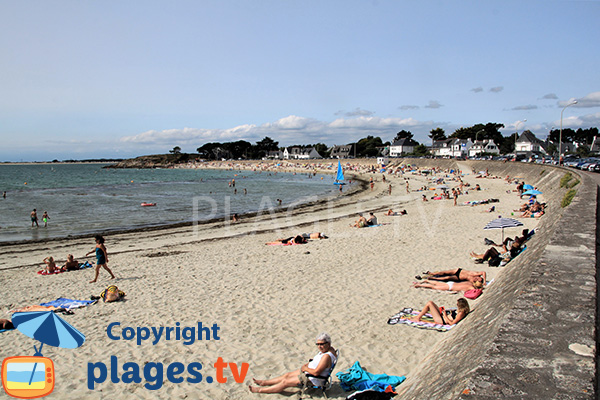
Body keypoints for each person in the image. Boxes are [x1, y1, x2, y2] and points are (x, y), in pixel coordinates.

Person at [249, 333, 337, 394]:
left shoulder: (326, 356)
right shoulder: (330, 349)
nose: (319, 347)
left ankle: (260, 390)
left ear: (328, 343)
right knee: (286, 375)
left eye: (321, 344)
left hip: (312, 378)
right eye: (317, 344)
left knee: (285, 382)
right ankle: (265, 382)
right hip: (308, 372)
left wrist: (306, 368)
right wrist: (307, 366)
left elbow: (316, 372)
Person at [418, 268, 485, 284]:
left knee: (447, 278)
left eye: (478, 280)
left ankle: (432, 278)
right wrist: (484, 280)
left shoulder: (472, 280)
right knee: (444, 272)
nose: (477, 279)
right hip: (459, 271)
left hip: (458, 277)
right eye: (479, 278)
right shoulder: (475, 274)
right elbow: (483, 272)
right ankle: (432, 273)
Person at [413, 279, 484, 292]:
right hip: (451, 287)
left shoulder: (470, 283)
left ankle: (426, 280)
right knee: (434, 287)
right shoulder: (471, 287)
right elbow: (476, 291)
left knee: (436, 283)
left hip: (452, 283)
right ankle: (419, 285)